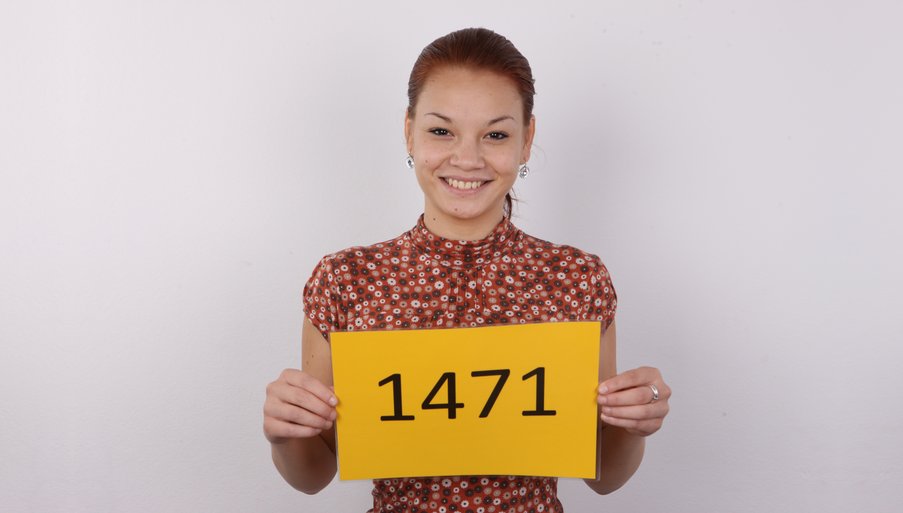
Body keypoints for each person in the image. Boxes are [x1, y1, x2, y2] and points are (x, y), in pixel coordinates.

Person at [263, 27, 671, 512]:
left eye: (496, 135)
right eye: (441, 131)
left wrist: (633, 423)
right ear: (409, 131)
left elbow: (603, 474)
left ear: (526, 140)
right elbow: (313, 476)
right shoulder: (346, 280)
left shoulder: (577, 279)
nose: (467, 158)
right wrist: (285, 433)